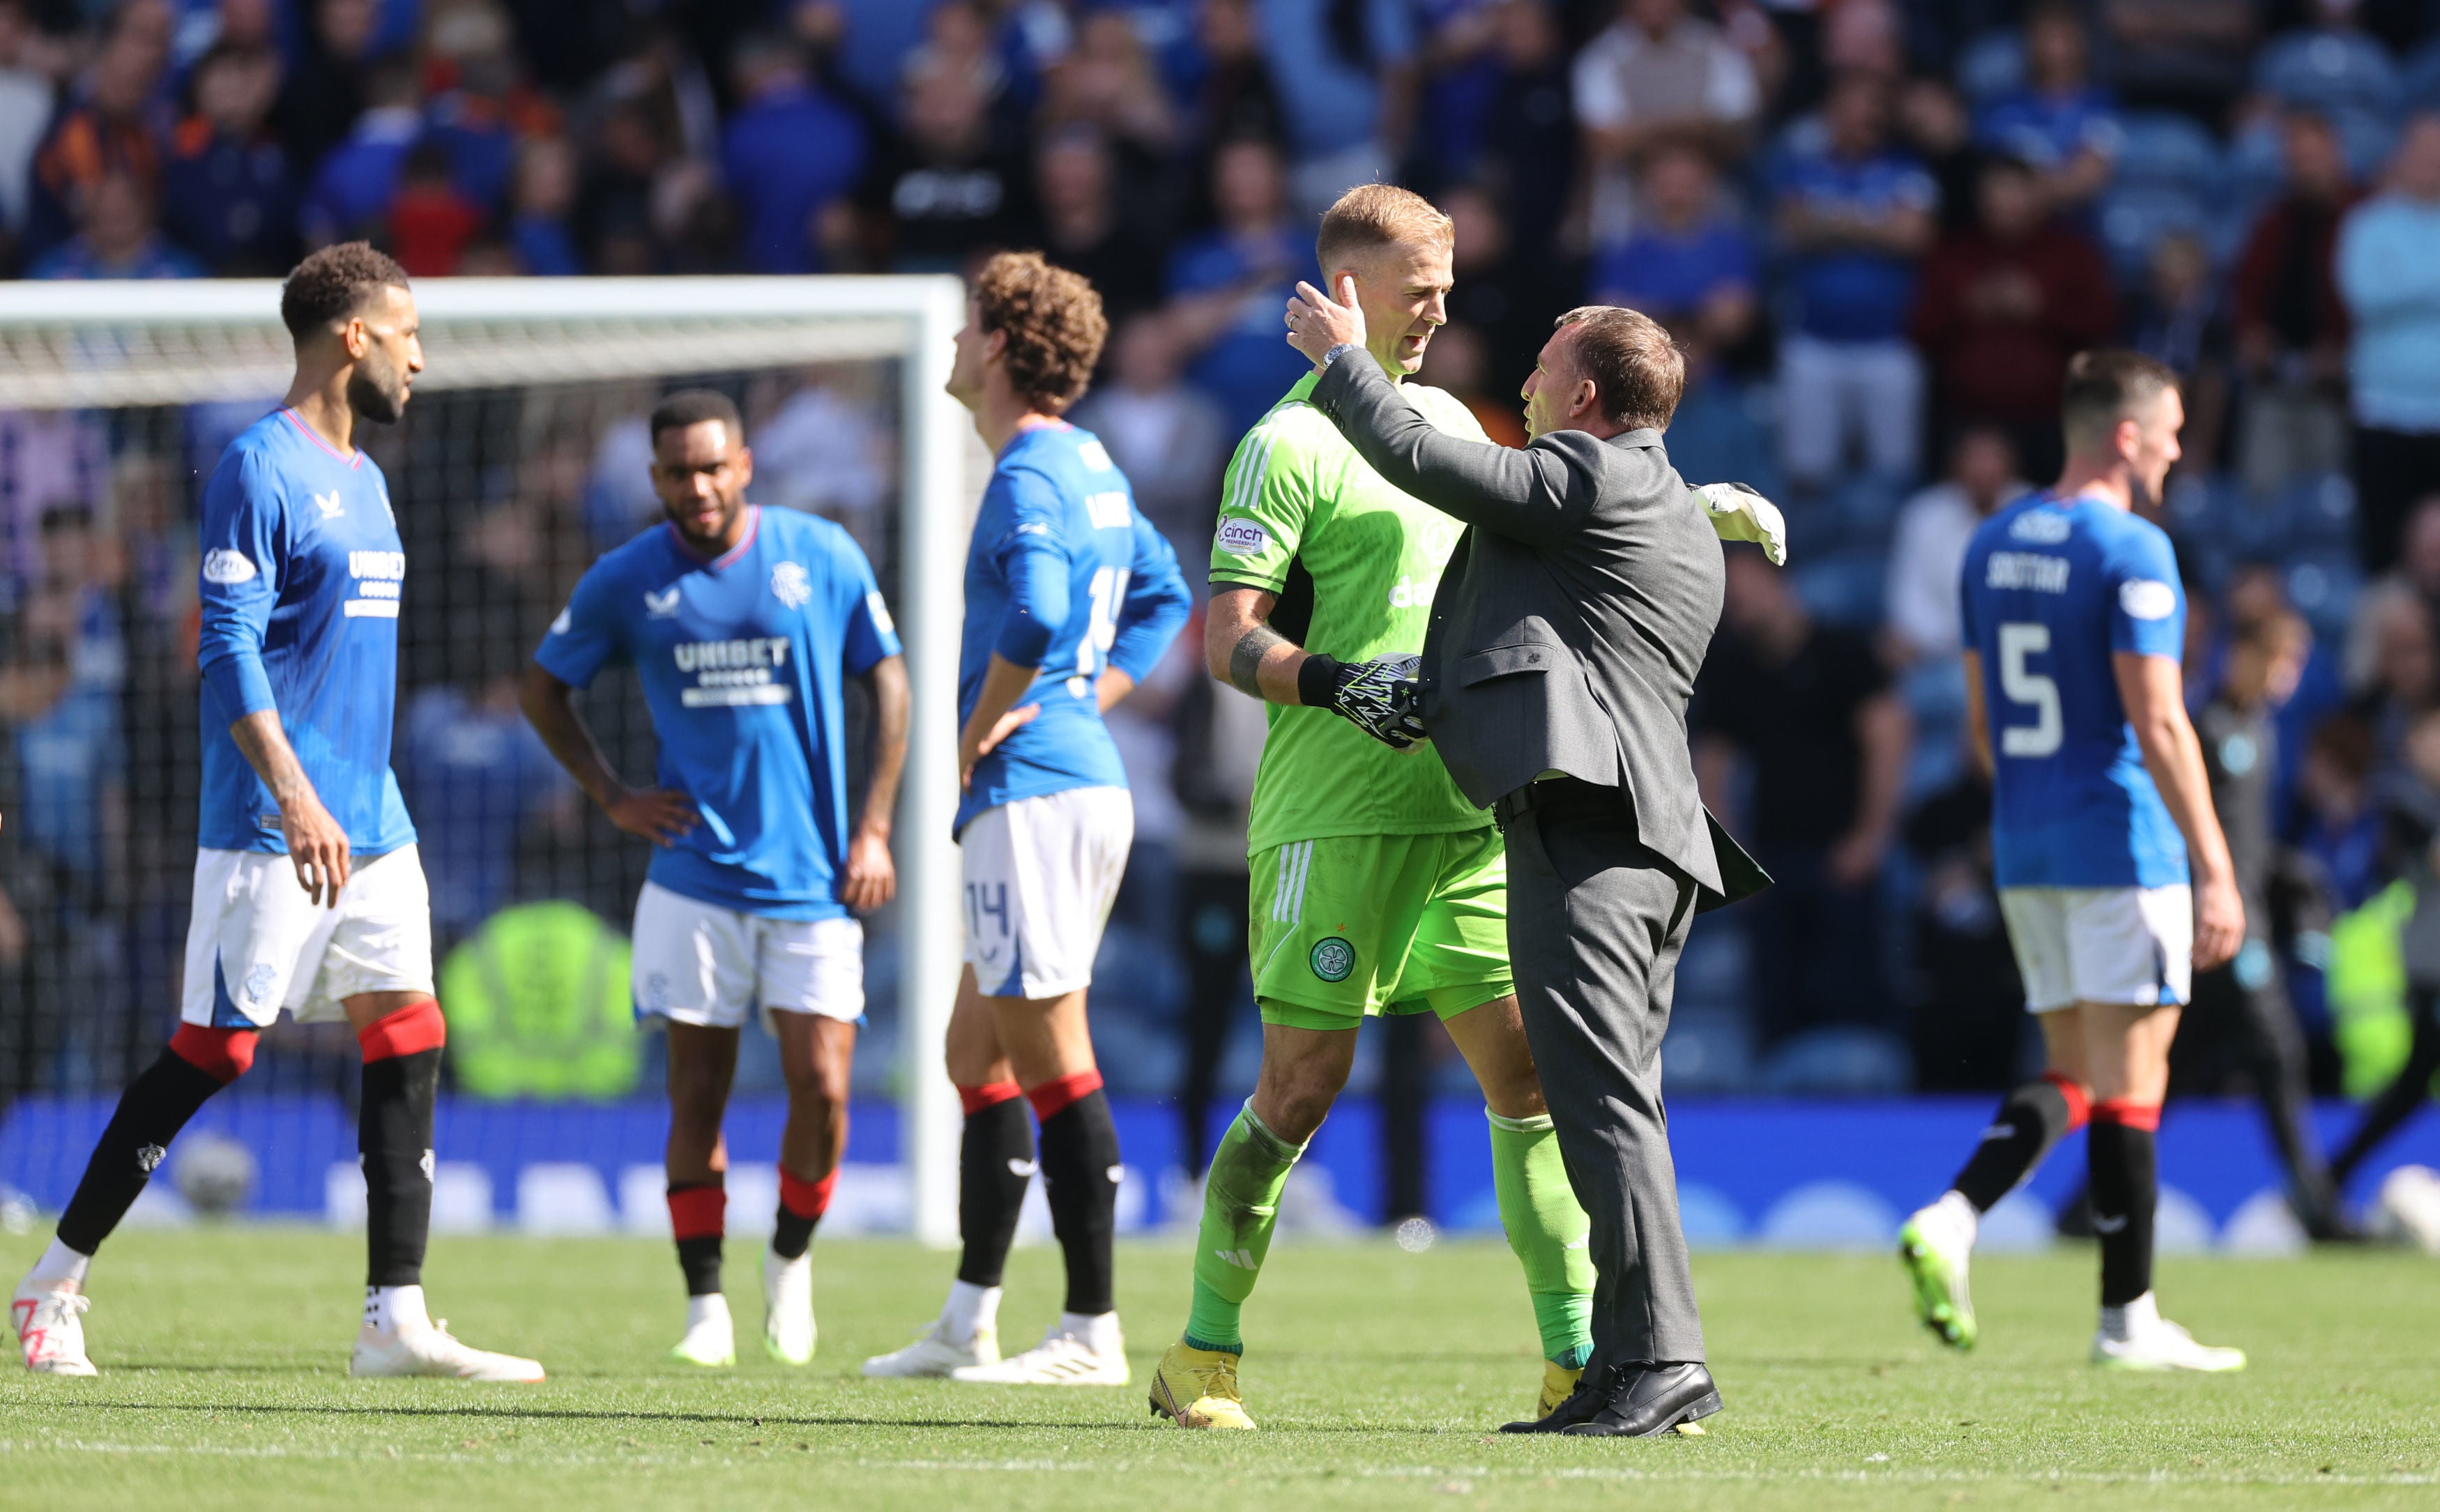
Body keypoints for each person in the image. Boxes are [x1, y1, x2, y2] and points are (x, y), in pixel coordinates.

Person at [10, 243, 543, 1382]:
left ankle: (394, 1312)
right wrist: (295, 793)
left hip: (375, 820)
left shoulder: (369, 477)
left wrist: (345, 797)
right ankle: (54, 1279)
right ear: (354, 336)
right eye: (409, 334)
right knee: (216, 1048)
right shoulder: (256, 464)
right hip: (272, 821)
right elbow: (229, 649)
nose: (421, 358)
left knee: (409, 1035)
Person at [1278, 283, 1775, 1435]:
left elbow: (1423, 459)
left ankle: (1665, 1361)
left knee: (1602, 1106)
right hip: (1638, 838)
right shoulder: (1660, 502)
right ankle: (1622, 1359)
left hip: (1591, 835)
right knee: (1613, 1101)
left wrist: (1347, 360)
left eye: (1546, 365)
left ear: (1587, 394)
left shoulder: (1590, 476)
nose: (1526, 382)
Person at [1144, 185, 1598, 1435]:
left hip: (1459, 816)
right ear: (1346, 291)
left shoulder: (1452, 420)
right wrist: (1340, 682)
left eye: (1448, 281)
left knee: (1528, 1079)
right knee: (1301, 1085)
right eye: (1418, 284)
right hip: (1331, 816)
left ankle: (1574, 1363)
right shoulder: (1284, 445)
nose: (1442, 304)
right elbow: (1225, 636)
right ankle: (1202, 1355)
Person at [520, 390, 909, 1368]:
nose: (697, 486)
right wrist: (612, 794)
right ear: (655, 480)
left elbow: (889, 680)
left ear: (745, 465)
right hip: (693, 881)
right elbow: (543, 686)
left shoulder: (820, 555)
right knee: (699, 1093)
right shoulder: (626, 579)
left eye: (712, 466)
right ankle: (705, 1307)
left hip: (817, 879)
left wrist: (873, 828)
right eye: (677, 472)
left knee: (823, 1088)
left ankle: (790, 1258)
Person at [862, 251, 1189, 1386]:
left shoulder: (1027, 475)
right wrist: (1084, 695)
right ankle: (968, 1317)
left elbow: (1047, 609)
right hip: (1072, 778)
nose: (952, 344)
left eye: (966, 327)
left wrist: (988, 719)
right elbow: (1164, 593)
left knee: (1055, 1056)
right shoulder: (1090, 462)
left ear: (999, 345)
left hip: (1037, 793)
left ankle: (1091, 1329)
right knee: (973, 1050)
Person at [1898, 349, 2248, 1372]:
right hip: (2119, 840)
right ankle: (2126, 1318)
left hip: (2027, 840)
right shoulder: (2134, 548)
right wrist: (2217, 867)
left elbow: (1978, 727)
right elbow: (2163, 720)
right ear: (2128, 434)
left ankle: (1957, 1217)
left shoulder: (1990, 544)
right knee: (2134, 1080)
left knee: (2074, 1073)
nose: (2181, 448)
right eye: (2172, 429)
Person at [1694, 547, 1911, 1055]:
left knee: (1854, 1013)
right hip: (1772, 865)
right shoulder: (1731, 666)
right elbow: (1710, 766)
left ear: (1779, 581)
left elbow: (1890, 735)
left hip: (1845, 861)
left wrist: (1870, 838)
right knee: (1776, 1017)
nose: (1739, 603)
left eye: (1746, 587)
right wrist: (1736, 861)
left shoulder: (1842, 650)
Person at [2337, 112, 2440, 576]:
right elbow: (2364, 294)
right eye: (2419, 151)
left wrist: (2404, 280)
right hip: (2383, 413)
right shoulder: (2367, 224)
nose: (2428, 162)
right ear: (2400, 157)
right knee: (2382, 556)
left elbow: (2388, 293)